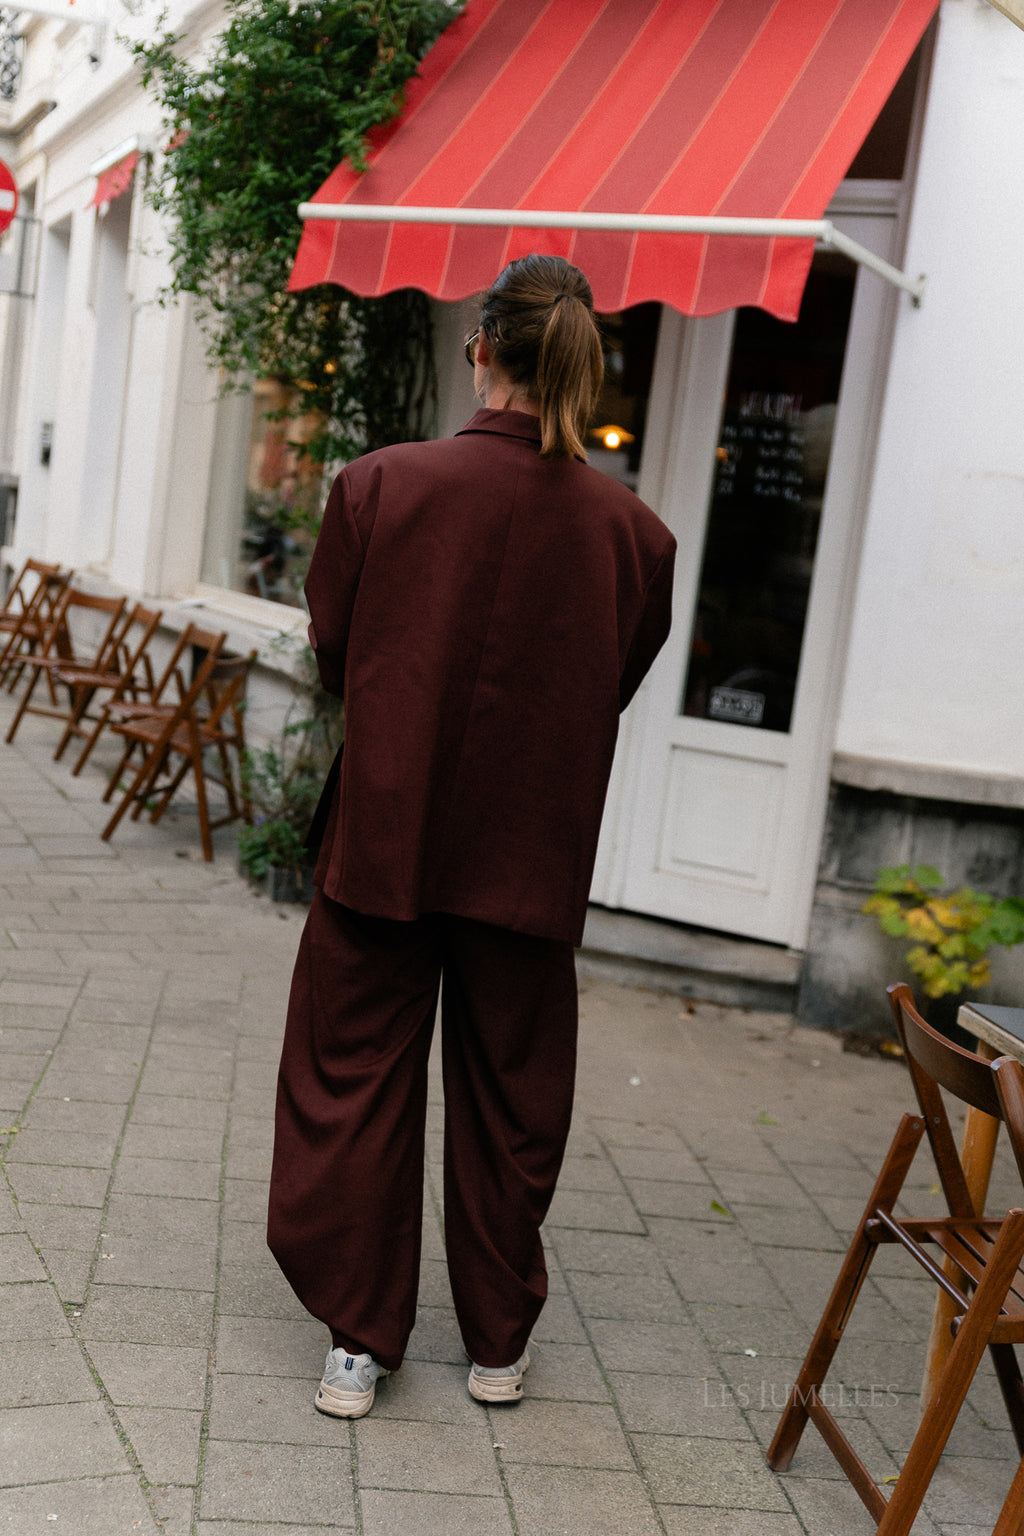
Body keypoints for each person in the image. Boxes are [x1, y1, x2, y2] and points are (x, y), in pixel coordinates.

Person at [267, 253, 676, 1418]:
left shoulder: (380, 486)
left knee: (353, 1079)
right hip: (529, 848)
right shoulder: (633, 536)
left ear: (479, 349)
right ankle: (496, 1342)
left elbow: (336, 651)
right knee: (512, 1094)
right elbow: (612, 679)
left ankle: (360, 1339)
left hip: (388, 831)